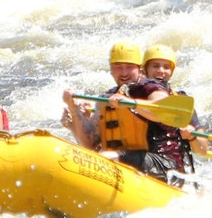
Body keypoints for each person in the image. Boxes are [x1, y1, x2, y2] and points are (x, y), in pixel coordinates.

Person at [61, 42, 196, 184]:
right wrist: (75, 111)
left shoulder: (152, 88)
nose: (124, 73)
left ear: (140, 69)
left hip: (164, 164)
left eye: (129, 67)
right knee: (94, 157)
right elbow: (90, 143)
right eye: (118, 67)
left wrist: (132, 103)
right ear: (111, 70)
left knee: (106, 157)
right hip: (125, 161)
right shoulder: (107, 97)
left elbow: (161, 109)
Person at [141, 43, 209, 166]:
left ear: (171, 72)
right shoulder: (133, 94)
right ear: (145, 69)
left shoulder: (181, 100)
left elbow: (203, 149)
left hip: (168, 165)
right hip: (138, 159)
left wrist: (191, 136)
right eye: (155, 66)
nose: (161, 71)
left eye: (166, 67)